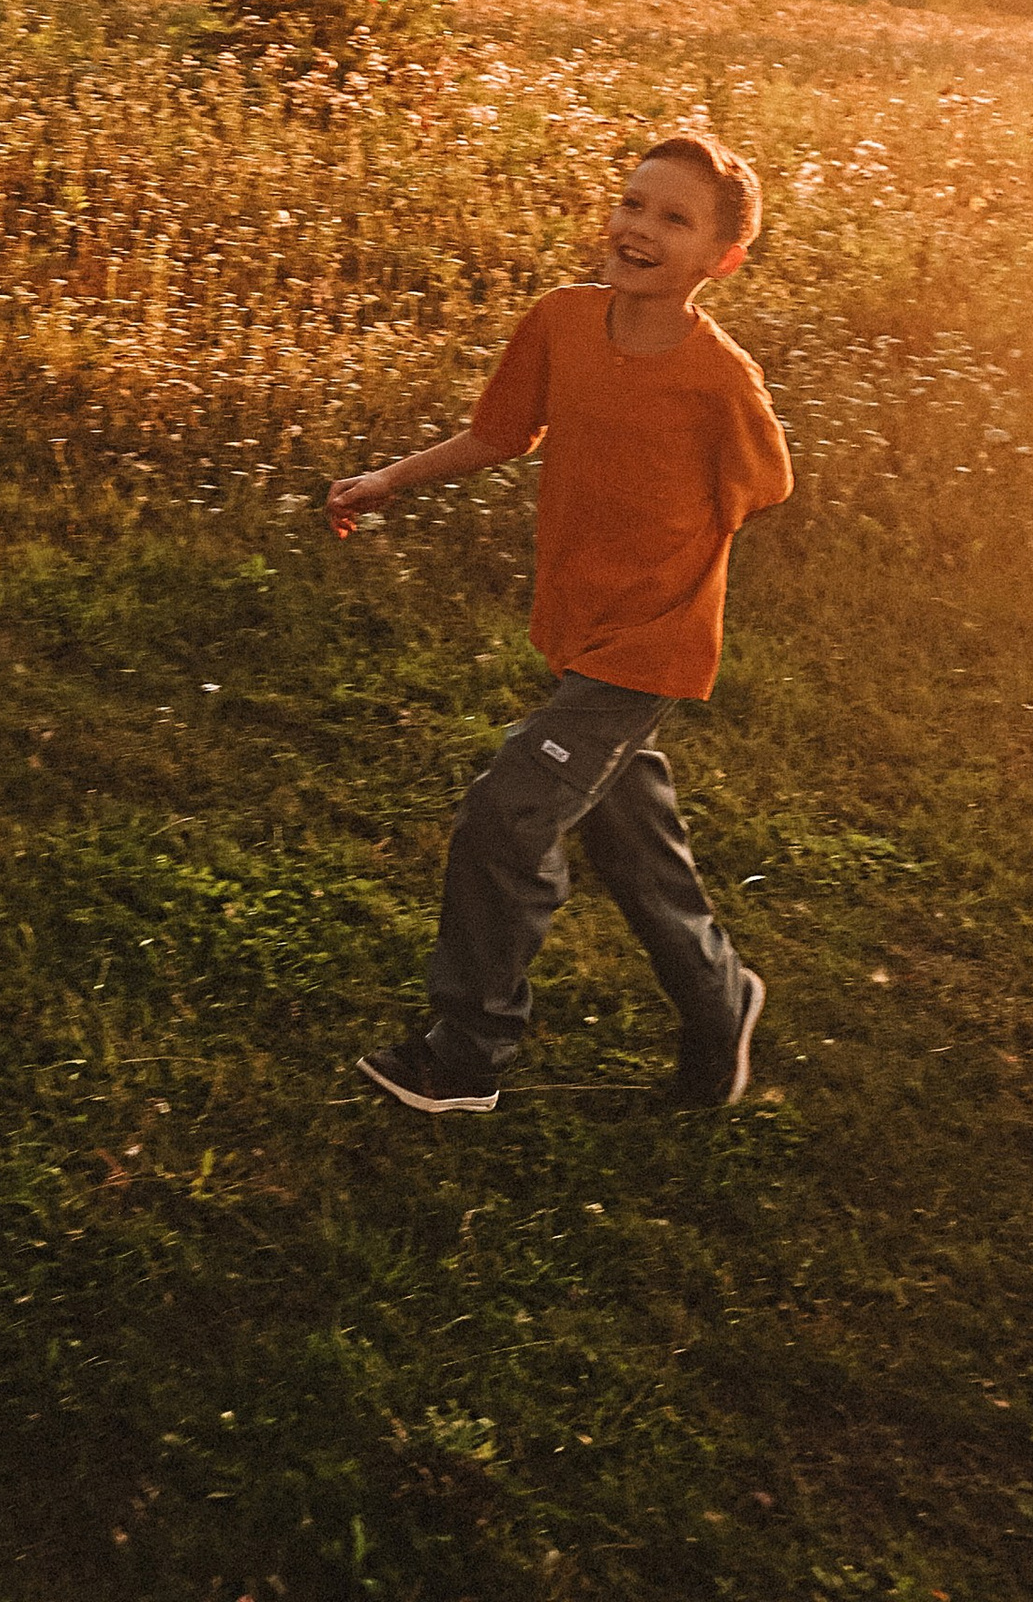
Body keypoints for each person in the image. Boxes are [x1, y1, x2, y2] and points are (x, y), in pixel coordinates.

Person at [326, 131, 792, 1117]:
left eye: (673, 220)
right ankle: (721, 1006)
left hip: (648, 646)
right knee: (631, 843)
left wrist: (667, 565)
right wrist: (387, 481)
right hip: (577, 631)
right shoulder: (560, 325)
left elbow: (762, 487)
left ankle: (465, 1054)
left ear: (720, 260)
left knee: (510, 810)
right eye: (632, 204)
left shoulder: (720, 379)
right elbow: (501, 432)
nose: (638, 229)